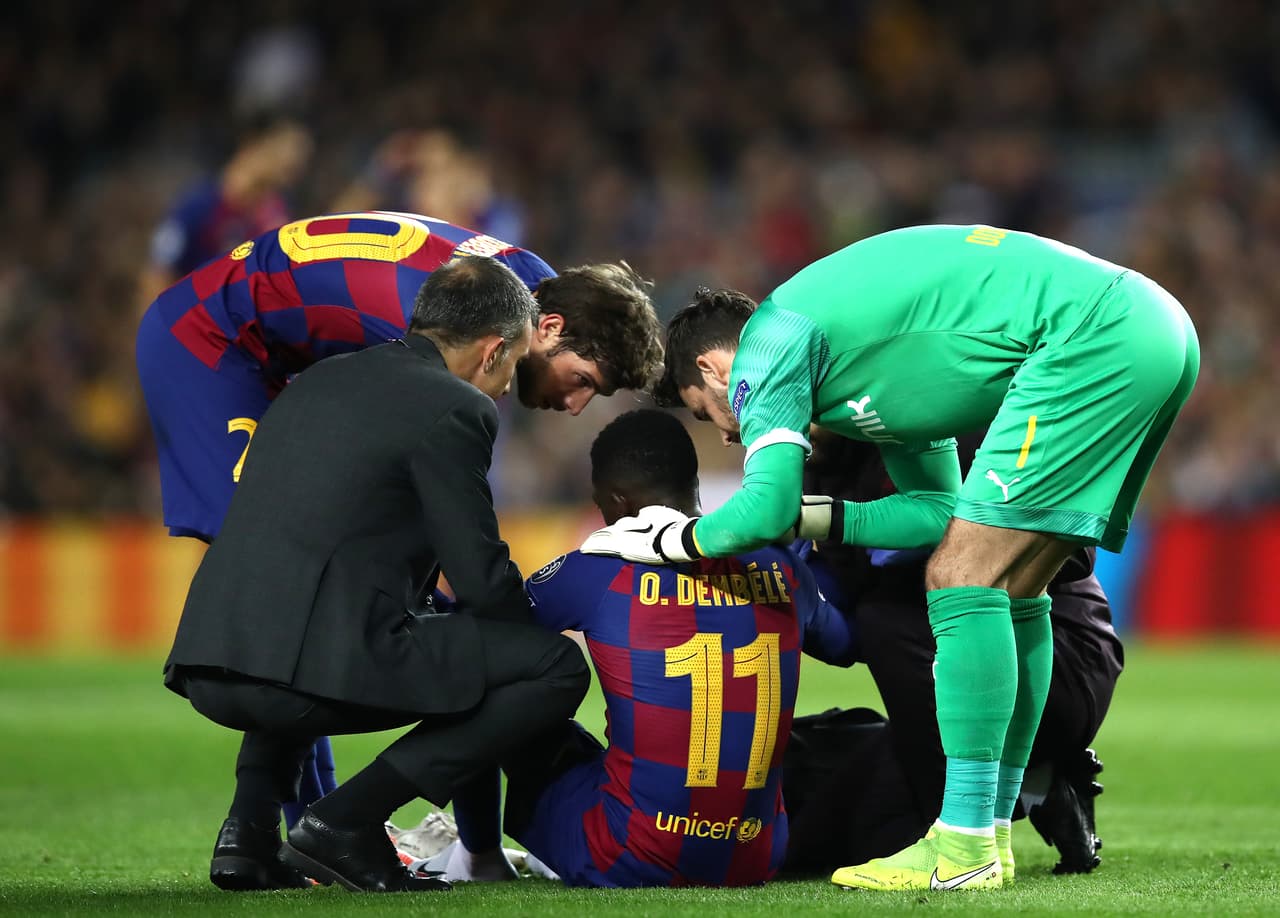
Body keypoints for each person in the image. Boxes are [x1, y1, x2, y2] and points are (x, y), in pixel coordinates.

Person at [588, 224, 1199, 891]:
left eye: (708, 415)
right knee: (1014, 590)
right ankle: (987, 831)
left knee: (960, 576)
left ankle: (962, 845)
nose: (731, 433)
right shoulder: (870, 384)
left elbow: (760, 511)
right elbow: (936, 509)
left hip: (1092, 337)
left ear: (712, 370)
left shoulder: (770, 342)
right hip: (1149, 330)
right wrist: (817, 517)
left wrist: (666, 540)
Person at [136, 210, 662, 827]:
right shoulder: (433, 343)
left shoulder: (515, 287)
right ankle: (310, 823)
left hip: (262, 343)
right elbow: (452, 546)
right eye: (583, 382)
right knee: (289, 588)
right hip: (211, 345)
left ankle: (264, 830)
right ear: (545, 327)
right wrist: (510, 645)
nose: (574, 406)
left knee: (318, 590)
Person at [163, 256, 591, 893]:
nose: (508, 385)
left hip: (212, 654)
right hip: (300, 670)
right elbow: (477, 575)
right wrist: (528, 638)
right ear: (493, 350)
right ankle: (346, 821)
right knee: (553, 667)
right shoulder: (456, 408)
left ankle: (248, 833)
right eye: (515, 363)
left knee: (303, 622)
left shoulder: (316, 379)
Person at [436, 409, 858, 887]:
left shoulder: (597, 569)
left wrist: (434, 596)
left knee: (490, 681)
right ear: (694, 482)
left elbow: (481, 634)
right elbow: (845, 644)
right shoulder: (779, 565)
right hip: (756, 856)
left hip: (632, 856)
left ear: (615, 500)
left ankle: (480, 859)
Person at [780, 429, 1120, 877]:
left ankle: (959, 833)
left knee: (888, 616)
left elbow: (1073, 553)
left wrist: (926, 538)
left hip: (1062, 654)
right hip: (951, 694)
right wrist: (794, 599)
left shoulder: (939, 425)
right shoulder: (814, 473)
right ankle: (1035, 785)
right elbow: (849, 629)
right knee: (803, 842)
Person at [138, 113, 313, 307]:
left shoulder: (276, 216)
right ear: (252, 143)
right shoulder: (200, 204)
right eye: (284, 149)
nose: (294, 162)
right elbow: (156, 276)